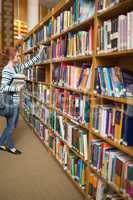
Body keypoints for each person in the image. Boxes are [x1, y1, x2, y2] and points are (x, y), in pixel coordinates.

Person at [0, 46, 43, 155]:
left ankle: (1, 143)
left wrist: (39, 54)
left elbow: (27, 64)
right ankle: (10, 147)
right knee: (11, 126)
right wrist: (16, 88)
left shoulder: (16, 68)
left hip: (15, 101)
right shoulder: (7, 70)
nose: (19, 57)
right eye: (17, 55)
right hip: (10, 103)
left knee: (11, 125)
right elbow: (3, 88)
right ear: (11, 57)